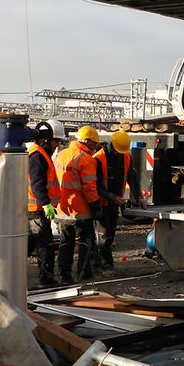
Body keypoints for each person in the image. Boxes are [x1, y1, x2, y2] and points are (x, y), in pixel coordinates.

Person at [54, 125, 102, 284]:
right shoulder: (86, 159)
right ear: (88, 142)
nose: (96, 147)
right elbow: (89, 187)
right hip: (81, 210)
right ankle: (84, 274)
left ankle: (64, 276)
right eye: (95, 143)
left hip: (62, 208)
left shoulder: (61, 154)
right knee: (86, 241)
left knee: (65, 242)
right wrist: (95, 205)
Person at [93, 129, 140, 275]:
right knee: (103, 235)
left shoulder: (125, 156)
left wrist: (139, 198)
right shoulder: (98, 158)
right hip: (101, 202)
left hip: (114, 203)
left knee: (110, 234)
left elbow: (132, 178)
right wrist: (112, 197)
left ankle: (99, 264)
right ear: (112, 145)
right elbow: (95, 186)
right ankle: (103, 265)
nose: (120, 153)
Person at [27, 118, 66, 287]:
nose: (57, 145)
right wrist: (45, 204)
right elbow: (37, 183)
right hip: (36, 209)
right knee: (45, 246)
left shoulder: (40, 154)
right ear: (45, 139)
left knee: (30, 244)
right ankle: (47, 279)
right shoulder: (37, 156)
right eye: (56, 141)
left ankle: (13, 275)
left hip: (35, 209)